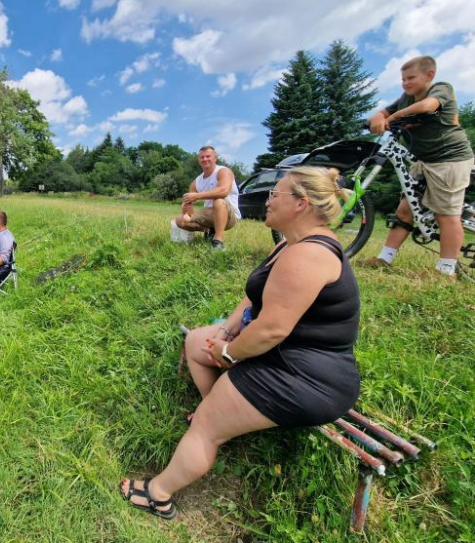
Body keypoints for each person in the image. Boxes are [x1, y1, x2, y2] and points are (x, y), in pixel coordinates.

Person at [120, 167, 360, 519]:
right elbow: (255, 299)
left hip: (306, 378)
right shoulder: (290, 245)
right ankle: (221, 411)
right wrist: (225, 330)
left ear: (301, 204)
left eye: (275, 195)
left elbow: (270, 331)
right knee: (198, 342)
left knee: (204, 428)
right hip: (282, 358)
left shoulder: (308, 256)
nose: (267, 201)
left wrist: (230, 351)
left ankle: (159, 493)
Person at [365, 55, 474, 279]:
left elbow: (427, 107)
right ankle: (384, 258)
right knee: (405, 209)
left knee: (446, 214)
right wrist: (378, 117)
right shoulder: (406, 98)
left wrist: (392, 117)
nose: (405, 83)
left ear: (429, 75)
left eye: (411, 78)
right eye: (403, 79)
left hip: (450, 159)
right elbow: (383, 112)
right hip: (424, 161)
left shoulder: (441, 89)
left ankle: (445, 271)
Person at [174, 145, 241, 250]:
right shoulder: (197, 182)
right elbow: (189, 208)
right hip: (209, 214)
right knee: (180, 220)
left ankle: (218, 241)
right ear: (199, 160)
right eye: (202, 157)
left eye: (208, 156)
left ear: (215, 158)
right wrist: (186, 208)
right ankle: (209, 231)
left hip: (229, 215)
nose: (205, 159)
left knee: (219, 201)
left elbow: (223, 191)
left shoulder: (224, 171)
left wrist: (198, 196)